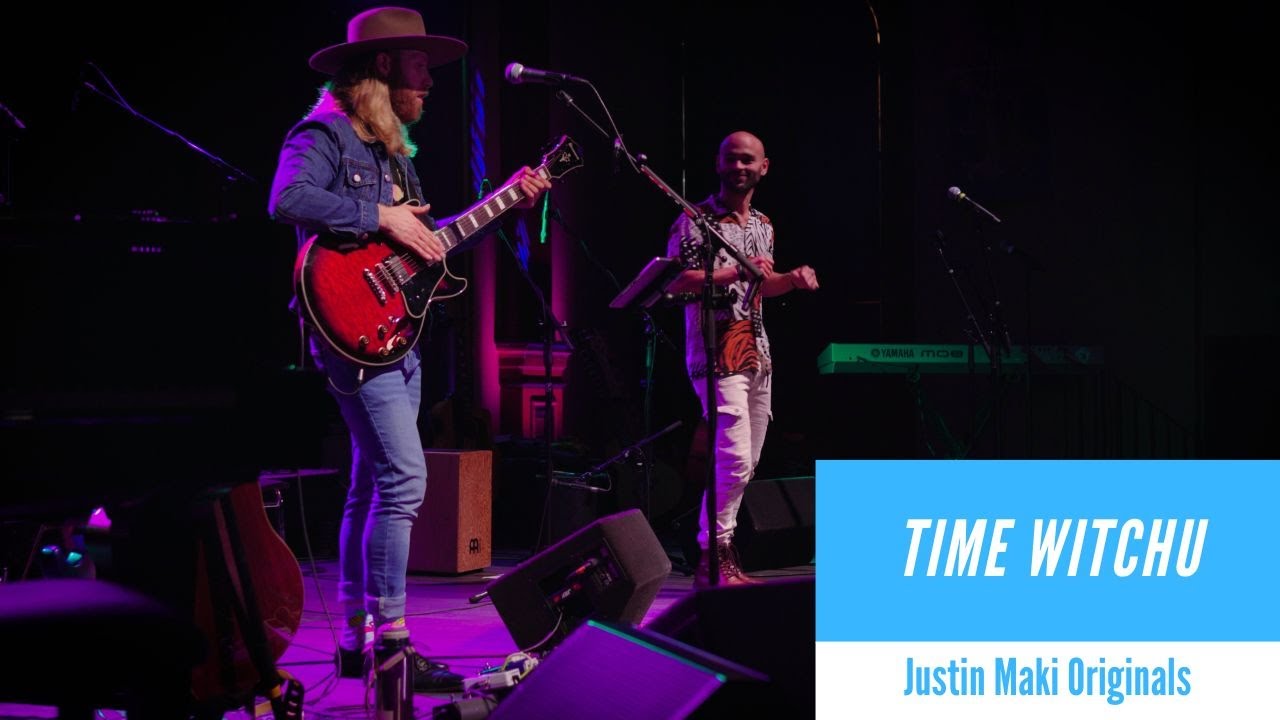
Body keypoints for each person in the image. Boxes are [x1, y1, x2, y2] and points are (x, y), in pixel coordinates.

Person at [268, 6, 550, 690]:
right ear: (385, 65)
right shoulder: (325, 132)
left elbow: (427, 243)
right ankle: (393, 643)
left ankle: (358, 641)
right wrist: (379, 214)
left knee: (371, 484)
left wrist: (506, 203)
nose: (430, 81)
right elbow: (286, 198)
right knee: (404, 480)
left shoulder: (393, 150)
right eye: (421, 66)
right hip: (351, 330)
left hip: (400, 333)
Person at [664, 131, 819, 588]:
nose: (739, 167)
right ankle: (714, 556)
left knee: (747, 463)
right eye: (731, 159)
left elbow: (760, 285)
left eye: (748, 160)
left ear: (763, 167)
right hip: (717, 352)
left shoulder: (764, 225)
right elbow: (675, 281)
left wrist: (791, 280)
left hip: (757, 352)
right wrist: (733, 270)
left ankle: (717, 554)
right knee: (732, 458)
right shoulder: (695, 220)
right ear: (718, 164)